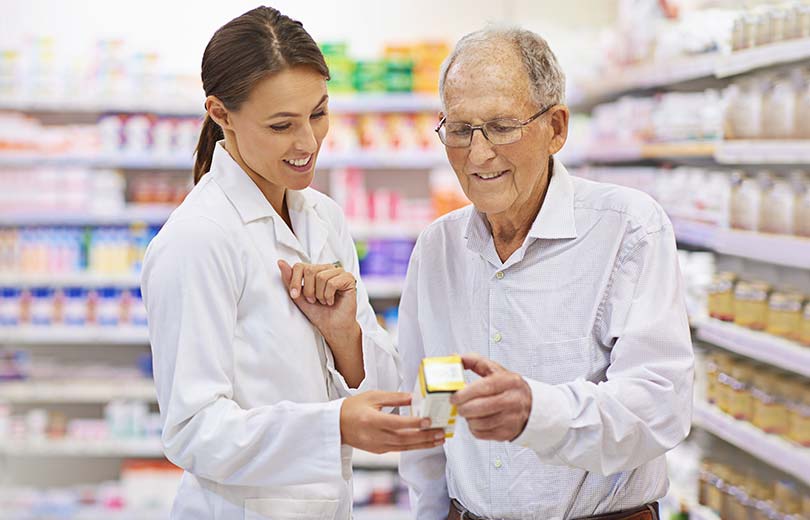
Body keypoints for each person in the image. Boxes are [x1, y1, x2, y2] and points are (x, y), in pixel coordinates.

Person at [141, 6, 444, 520]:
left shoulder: (323, 218)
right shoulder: (199, 238)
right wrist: (333, 426)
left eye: (318, 114)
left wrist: (344, 334)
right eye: (281, 125)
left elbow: (384, 391)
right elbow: (192, 430)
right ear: (220, 114)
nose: (308, 143)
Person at [398, 27, 694, 520]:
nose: (478, 153)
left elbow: (658, 406)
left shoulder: (627, 228)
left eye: (501, 126)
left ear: (555, 127)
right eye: (460, 129)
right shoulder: (438, 248)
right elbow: (428, 412)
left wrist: (536, 412)